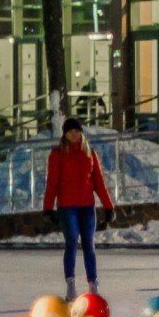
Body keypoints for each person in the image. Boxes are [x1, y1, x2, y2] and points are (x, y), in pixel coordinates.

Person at [42, 116, 115, 301]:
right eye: (70, 131)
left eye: (77, 131)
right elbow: (52, 183)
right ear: (65, 134)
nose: (74, 134)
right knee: (72, 242)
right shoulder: (57, 154)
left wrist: (108, 206)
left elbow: (99, 181)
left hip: (87, 206)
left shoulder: (90, 153)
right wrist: (48, 207)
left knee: (89, 243)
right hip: (67, 207)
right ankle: (71, 284)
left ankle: (93, 284)